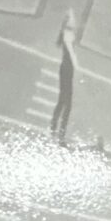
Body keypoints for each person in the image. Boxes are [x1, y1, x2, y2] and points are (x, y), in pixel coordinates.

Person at [51, 11, 78, 143]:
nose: (74, 21)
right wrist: (77, 64)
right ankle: (60, 131)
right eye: (72, 19)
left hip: (66, 69)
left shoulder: (68, 33)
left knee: (62, 101)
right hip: (67, 69)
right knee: (67, 103)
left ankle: (54, 127)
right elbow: (71, 52)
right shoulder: (68, 35)